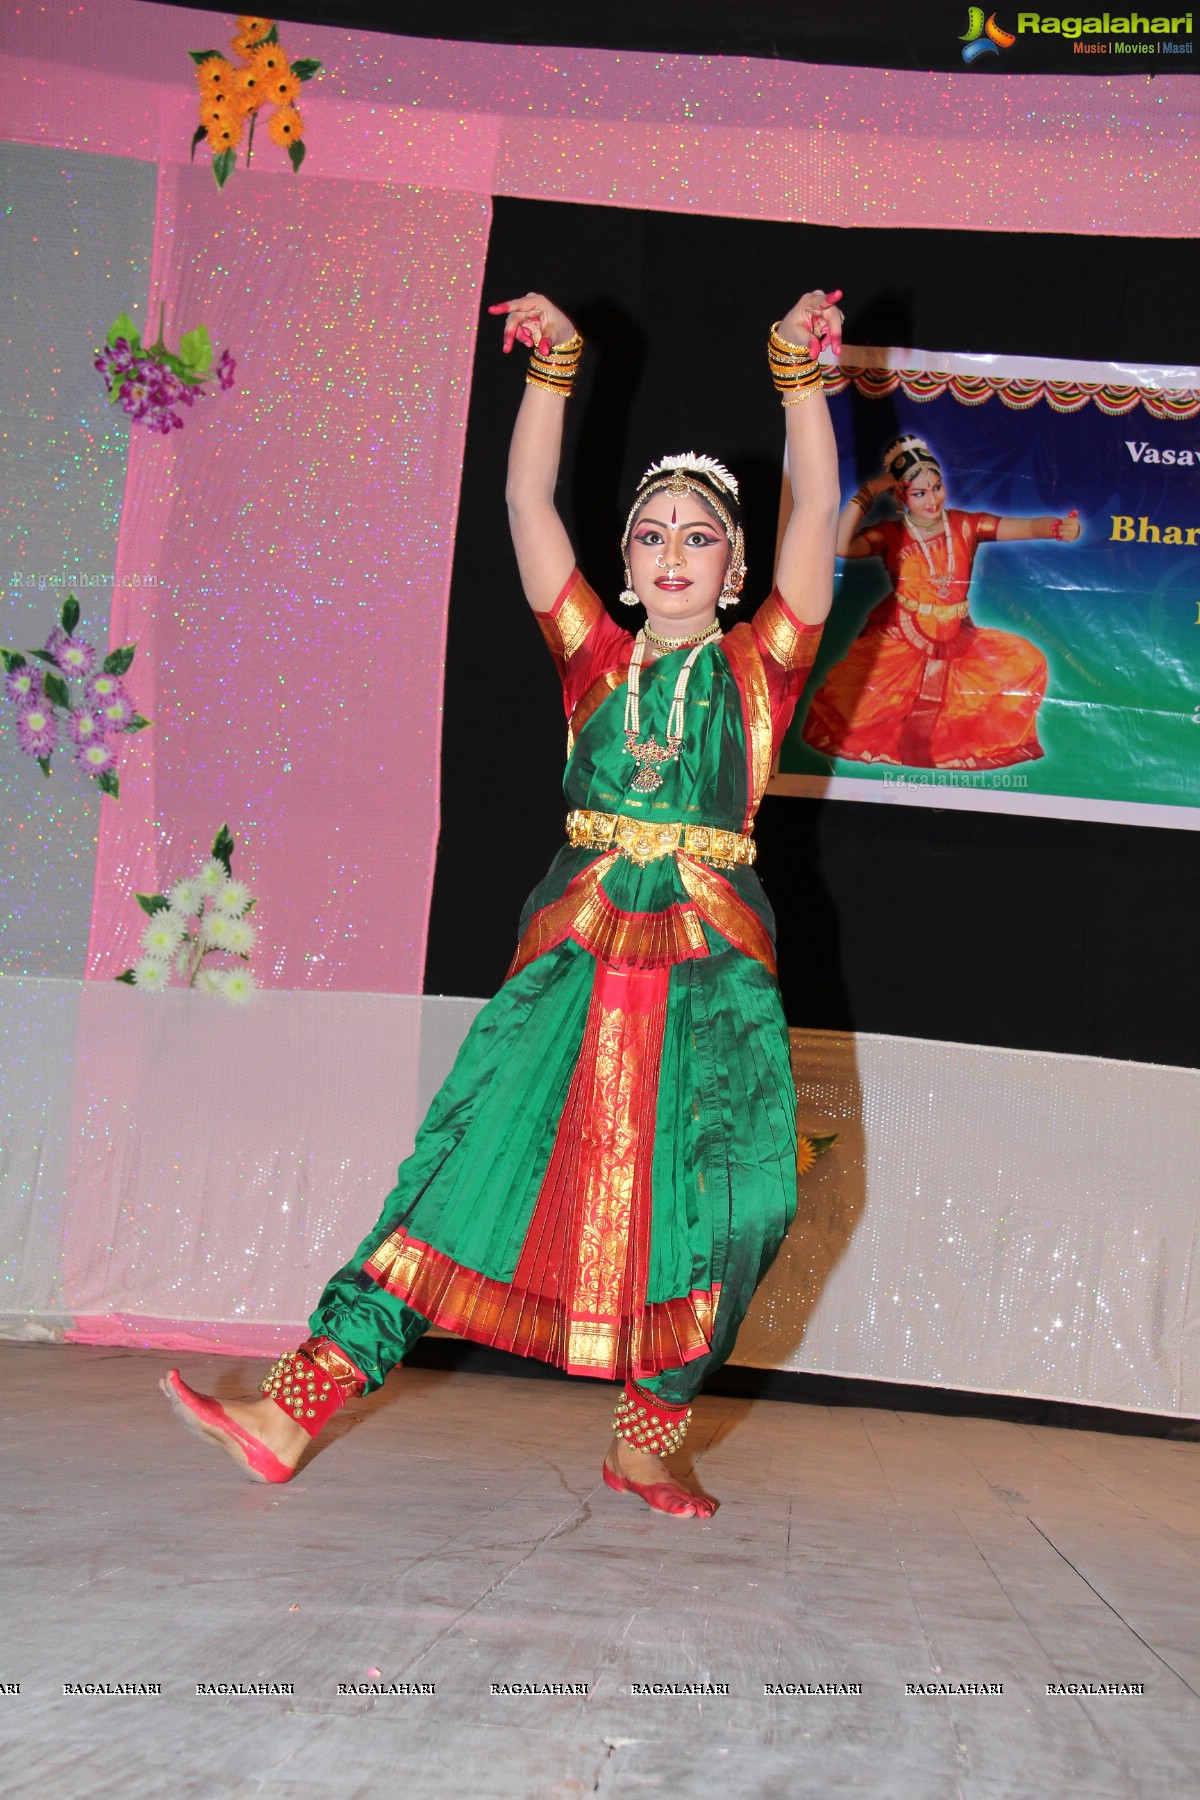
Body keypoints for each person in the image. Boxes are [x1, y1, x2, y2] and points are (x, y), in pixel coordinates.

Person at [162, 286, 844, 1519]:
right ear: (628, 569)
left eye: (701, 535)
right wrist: (554, 371)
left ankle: (649, 1432)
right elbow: (530, 504)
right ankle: (294, 1402)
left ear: (737, 569)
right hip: (577, 954)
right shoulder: (592, 659)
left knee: (748, 1203)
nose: (674, 549)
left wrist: (797, 376)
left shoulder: (763, 668)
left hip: (712, 967)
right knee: (472, 1162)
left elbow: (820, 516)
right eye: (651, 535)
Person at [802, 434, 1081, 770]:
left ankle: (951, 745)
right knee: (854, 694)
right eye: (920, 493)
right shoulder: (892, 533)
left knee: (1028, 663)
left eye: (937, 487)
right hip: (901, 637)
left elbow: (1025, 527)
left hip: (960, 637)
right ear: (901, 496)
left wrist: (1057, 527)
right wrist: (868, 493)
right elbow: (840, 546)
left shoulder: (966, 525)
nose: (932, 499)